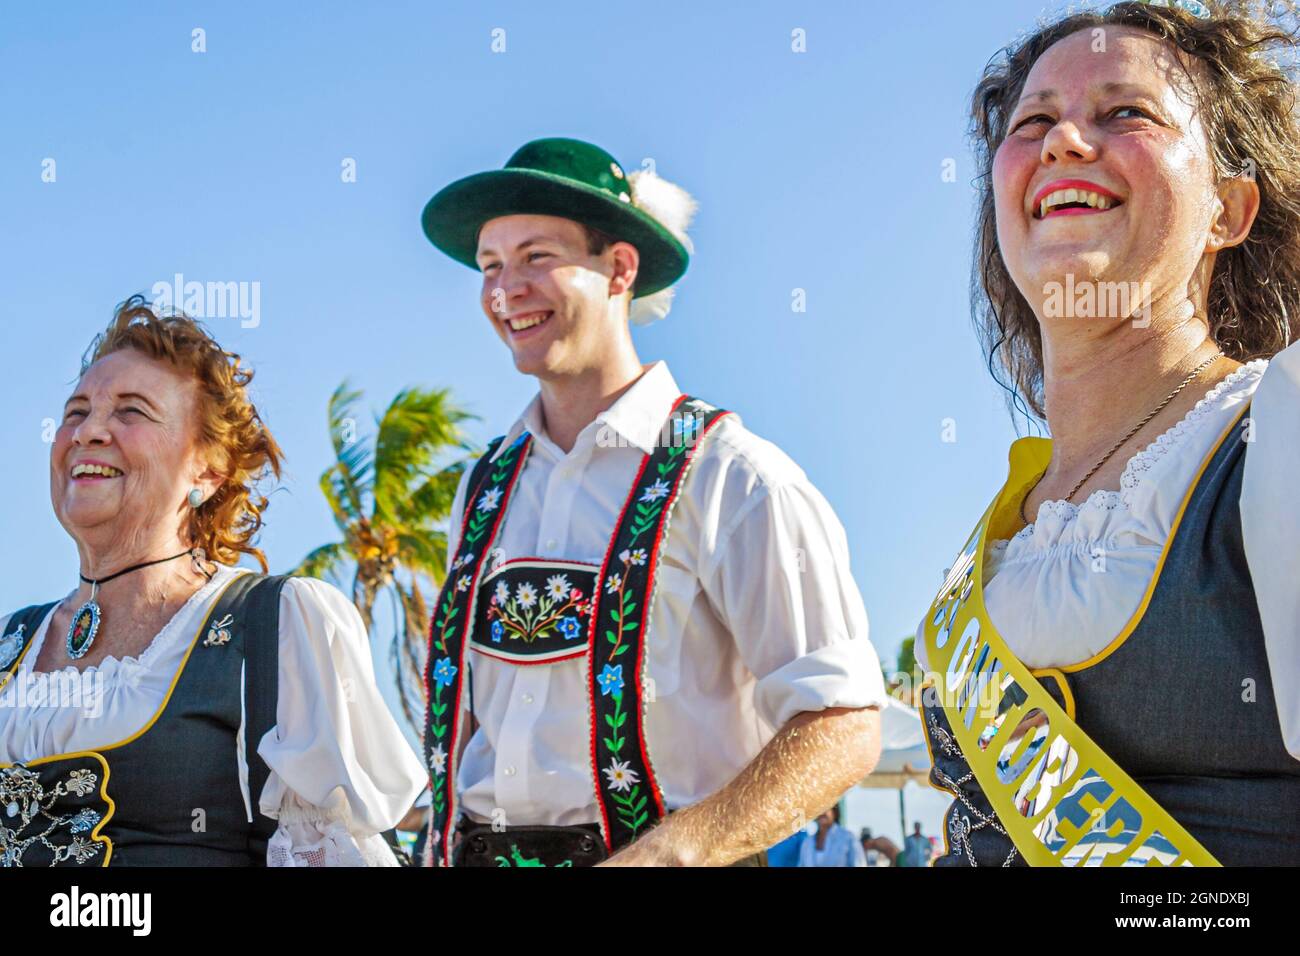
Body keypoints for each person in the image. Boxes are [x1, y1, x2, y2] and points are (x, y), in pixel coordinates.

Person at [418, 137, 884, 866]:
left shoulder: (734, 475)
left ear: (620, 269)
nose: (505, 288)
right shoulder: (481, 491)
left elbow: (844, 723)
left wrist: (673, 853)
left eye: (537, 256)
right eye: (489, 265)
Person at [915, 0, 1300, 867]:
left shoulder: (1281, 432)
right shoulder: (1004, 530)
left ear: (1229, 211)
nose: (1064, 142)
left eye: (1126, 112)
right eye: (1035, 121)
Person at [0, 297, 427, 866]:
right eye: (76, 411)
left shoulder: (274, 628)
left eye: (131, 412)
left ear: (208, 469)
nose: (88, 431)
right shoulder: (11, 642)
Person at [797, 806, 865, 867]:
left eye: (825, 808)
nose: (821, 812)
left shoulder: (848, 838)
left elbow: (858, 864)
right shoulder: (807, 842)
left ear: (834, 811)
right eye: (818, 809)